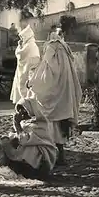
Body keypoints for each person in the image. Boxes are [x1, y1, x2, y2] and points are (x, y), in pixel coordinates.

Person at [27, 28, 82, 165]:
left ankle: (48, 155)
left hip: (53, 88)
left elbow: (45, 65)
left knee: (50, 124)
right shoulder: (65, 48)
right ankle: (61, 155)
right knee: (61, 123)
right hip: (64, 91)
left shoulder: (51, 47)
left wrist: (33, 81)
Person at [1, 98, 59, 180]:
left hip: (42, 156)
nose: (22, 112)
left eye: (24, 109)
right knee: (5, 141)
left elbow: (25, 139)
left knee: (30, 147)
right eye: (19, 109)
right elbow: (19, 136)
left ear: (31, 109)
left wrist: (17, 125)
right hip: (28, 150)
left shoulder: (41, 124)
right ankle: (17, 166)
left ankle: (33, 170)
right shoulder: (25, 123)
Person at [10, 11, 41, 104]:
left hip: (28, 71)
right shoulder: (27, 45)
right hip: (23, 70)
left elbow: (21, 54)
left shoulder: (30, 46)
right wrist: (20, 46)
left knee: (26, 87)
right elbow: (19, 54)